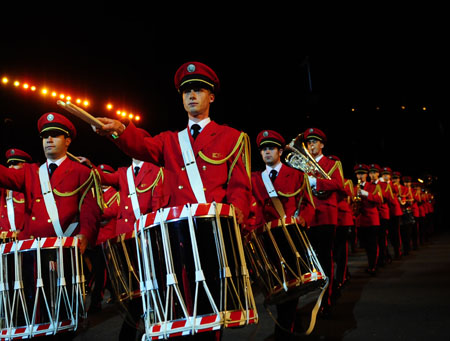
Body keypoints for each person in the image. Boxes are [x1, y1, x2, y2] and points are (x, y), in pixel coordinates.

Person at [94, 61, 252, 340]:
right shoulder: (169, 141)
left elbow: (240, 186)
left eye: (199, 90)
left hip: (213, 231)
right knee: (183, 303)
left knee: (211, 305)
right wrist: (119, 130)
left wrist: (237, 213)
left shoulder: (234, 138)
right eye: (186, 91)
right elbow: (140, 145)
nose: (191, 96)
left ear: (211, 96)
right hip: (178, 234)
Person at [0, 112, 103, 340]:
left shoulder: (82, 172)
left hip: (63, 252)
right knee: (33, 317)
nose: (48, 140)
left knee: (61, 318)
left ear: (67, 141)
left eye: (55, 135)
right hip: (32, 254)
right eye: (45, 136)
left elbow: (89, 212)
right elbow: (4, 176)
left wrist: (84, 237)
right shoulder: (29, 172)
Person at [249, 129, 315, 340]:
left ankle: (286, 324)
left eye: (271, 148)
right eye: (263, 149)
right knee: (276, 283)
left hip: (291, 234)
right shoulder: (255, 179)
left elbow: (307, 204)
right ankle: (286, 320)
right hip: (267, 236)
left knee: (293, 281)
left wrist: (304, 218)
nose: (267, 152)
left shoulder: (297, 174)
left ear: (279, 151)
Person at [302, 128, 344, 318]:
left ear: (322, 145)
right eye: (309, 142)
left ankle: (325, 297)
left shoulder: (332, 164)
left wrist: (315, 183)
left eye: (315, 142)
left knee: (326, 256)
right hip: (309, 214)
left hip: (326, 214)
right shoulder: (303, 164)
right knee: (313, 257)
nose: (311, 145)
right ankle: (317, 292)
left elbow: (338, 184)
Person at [353, 164, 382, 275]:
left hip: (372, 219)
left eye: (362, 173)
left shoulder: (373, 186)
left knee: (372, 244)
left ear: (366, 174)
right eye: (358, 174)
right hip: (361, 220)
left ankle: (373, 266)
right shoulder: (355, 187)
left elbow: (379, 199)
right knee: (365, 244)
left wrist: (366, 194)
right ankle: (371, 263)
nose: (360, 176)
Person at [0, 148, 32, 237]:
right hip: (4, 243)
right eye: (9, 164)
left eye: (15, 164)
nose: (11, 167)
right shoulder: (3, 190)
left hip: (25, 240)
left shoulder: (31, 187)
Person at [368, 163, 391, 267]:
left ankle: (384, 257)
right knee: (374, 239)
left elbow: (385, 198)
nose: (372, 175)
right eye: (371, 172)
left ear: (378, 174)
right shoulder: (367, 185)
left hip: (382, 213)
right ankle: (377, 259)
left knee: (382, 237)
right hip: (373, 215)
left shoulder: (383, 185)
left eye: (375, 172)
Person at [380, 167, 403, 260]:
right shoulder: (380, 184)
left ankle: (397, 251)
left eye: (387, 174)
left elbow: (396, 192)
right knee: (384, 234)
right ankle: (386, 254)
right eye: (384, 174)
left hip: (393, 212)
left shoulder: (394, 185)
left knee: (395, 233)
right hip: (385, 212)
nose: (385, 176)